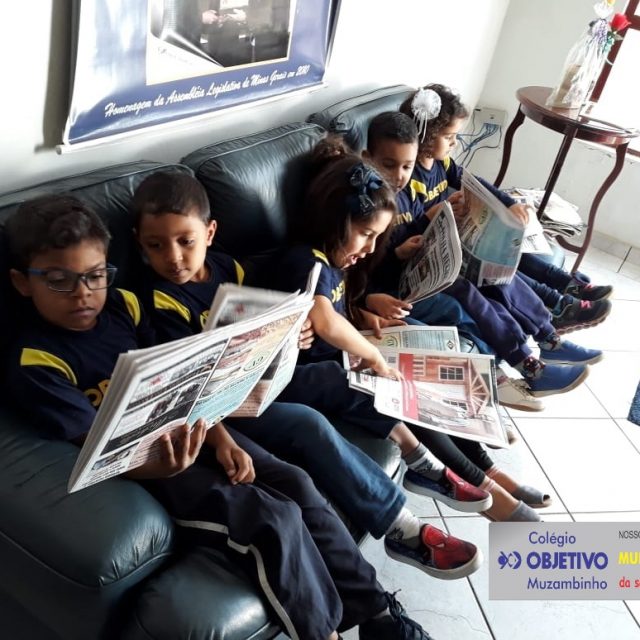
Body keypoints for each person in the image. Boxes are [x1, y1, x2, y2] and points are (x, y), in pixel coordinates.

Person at [3, 193, 438, 640]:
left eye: (95, 276)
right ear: (21, 282)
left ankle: (379, 615)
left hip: (196, 428)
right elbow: (97, 448)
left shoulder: (123, 305)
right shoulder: (36, 361)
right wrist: (161, 466)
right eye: (59, 280)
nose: (82, 294)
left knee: (296, 483)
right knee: (273, 517)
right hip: (151, 468)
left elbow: (182, 383)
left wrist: (222, 439)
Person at [131, 171, 486, 580]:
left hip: (261, 376)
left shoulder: (229, 268)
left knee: (340, 377)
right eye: (156, 246)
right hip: (221, 406)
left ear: (210, 233)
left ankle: (421, 457)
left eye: (185, 241)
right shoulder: (155, 302)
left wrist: (294, 330)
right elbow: (187, 384)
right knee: (308, 423)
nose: (173, 257)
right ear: (139, 243)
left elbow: (270, 308)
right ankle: (403, 529)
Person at [275, 143, 547, 522]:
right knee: (401, 391)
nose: (370, 248)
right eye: (366, 235)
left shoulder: (336, 261)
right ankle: (490, 492)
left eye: (377, 237)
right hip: (320, 369)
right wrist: (372, 355)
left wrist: (364, 314)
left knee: (425, 364)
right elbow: (324, 319)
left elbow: (335, 307)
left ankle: (488, 469)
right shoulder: (305, 259)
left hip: (345, 350)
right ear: (333, 220)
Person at [388, 87, 605, 393]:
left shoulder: (441, 164)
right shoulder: (404, 183)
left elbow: (472, 181)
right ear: (425, 135)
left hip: (443, 252)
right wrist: (431, 217)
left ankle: (549, 337)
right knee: (478, 292)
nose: (454, 142)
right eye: (449, 136)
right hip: (419, 273)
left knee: (497, 267)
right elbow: (398, 238)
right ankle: (531, 362)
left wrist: (507, 203)